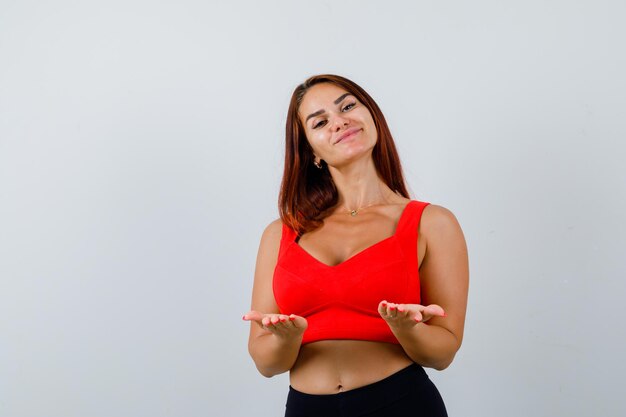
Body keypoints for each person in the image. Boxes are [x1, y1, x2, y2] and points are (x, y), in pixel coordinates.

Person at [243, 74, 469, 417]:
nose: (340, 122)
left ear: (372, 117)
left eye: (348, 106)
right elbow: (265, 363)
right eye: (320, 122)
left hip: (401, 404)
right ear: (311, 151)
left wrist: (407, 328)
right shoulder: (280, 234)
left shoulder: (432, 223)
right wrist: (286, 339)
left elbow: (443, 353)